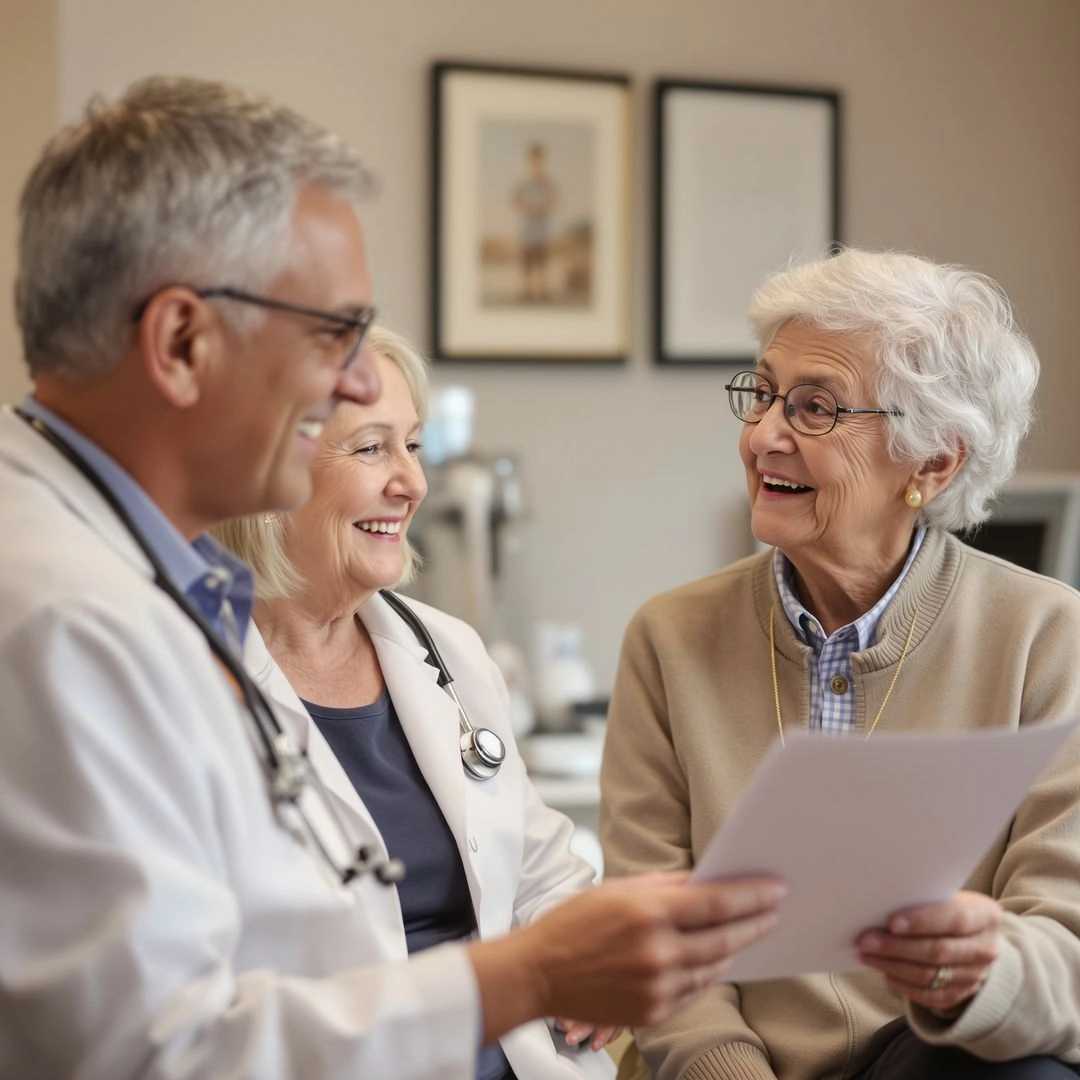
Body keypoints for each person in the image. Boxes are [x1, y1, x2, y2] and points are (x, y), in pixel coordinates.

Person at [0, 75, 785, 1079]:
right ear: (184, 342)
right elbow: (157, 1058)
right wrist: (526, 976)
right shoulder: (65, 620)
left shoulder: (141, 586)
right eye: (333, 335)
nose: (361, 380)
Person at [599, 248, 1080, 1080]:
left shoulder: (1047, 636)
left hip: (949, 1060)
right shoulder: (669, 639)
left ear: (933, 462)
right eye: (764, 393)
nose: (763, 435)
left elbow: (1065, 946)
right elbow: (652, 935)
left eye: (815, 408)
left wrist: (977, 973)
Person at [215, 323, 610, 1077]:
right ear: (268, 477)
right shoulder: (193, 679)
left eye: (414, 446)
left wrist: (582, 954)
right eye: (371, 448)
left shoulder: (447, 650)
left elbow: (544, 874)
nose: (414, 483)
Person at [514, 142, 558, 301]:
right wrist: (531, 207)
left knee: (542, 261)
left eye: (539, 160)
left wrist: (538, 207)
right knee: (527, 262)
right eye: (534, 160)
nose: (536, 163)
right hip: (528, 230)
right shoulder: (524, 184)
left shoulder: (548, 184)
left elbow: (552, 203)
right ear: (530, 162)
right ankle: (527, 291)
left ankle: (543, 290)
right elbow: (516, 202)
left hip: (542, 230)